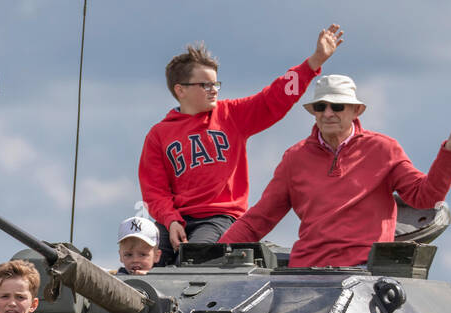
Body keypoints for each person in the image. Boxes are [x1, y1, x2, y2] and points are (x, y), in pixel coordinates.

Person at [219, 75, 451, 267]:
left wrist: (450, 150)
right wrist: (209, 252)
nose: (328, 113)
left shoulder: (384, 149)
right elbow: (259, 218)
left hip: (366, 273)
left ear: (356, 110)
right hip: (306, 273)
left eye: (337, 106)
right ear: (313, 112)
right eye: (320, 106)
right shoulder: (294, 158)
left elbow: (425, 198)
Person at [138, 25, 343, 266]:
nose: (214, 90)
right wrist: (171, 220)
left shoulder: (231, 115)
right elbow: (155, 190)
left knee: (195, 261)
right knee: (147, 261)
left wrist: (313, 62)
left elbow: (273, 98)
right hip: (173, 220)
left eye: (215, 84)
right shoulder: (159, 134)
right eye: (205, 85)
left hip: (218, 218)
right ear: (180, 90)